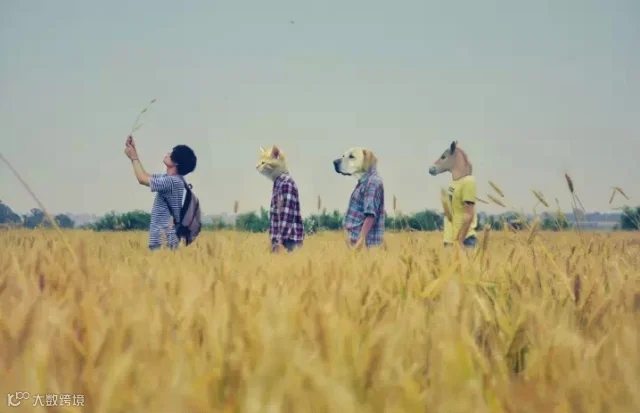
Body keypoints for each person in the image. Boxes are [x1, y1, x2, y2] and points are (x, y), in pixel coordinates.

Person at [123, 135, 197, 251]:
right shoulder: (169, 178)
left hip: (164, 239)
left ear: (176, 163)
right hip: (163, 238)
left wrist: (133, 158)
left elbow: (142, 179)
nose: (168, 153)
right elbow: (146, 176)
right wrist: (134, 152)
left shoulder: (173, 182)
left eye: (171, 154)